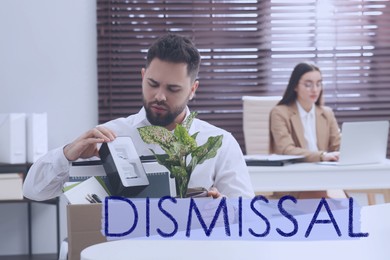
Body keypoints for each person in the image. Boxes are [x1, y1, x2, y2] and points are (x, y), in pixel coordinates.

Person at [23, 34, 254, 201]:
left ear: (193, 89)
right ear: (143, 76)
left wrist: (225, 208)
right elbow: (33, 190)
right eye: (152, 84)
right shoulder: (110, 136)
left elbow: (248, 216)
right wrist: (67, 154)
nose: (159, 96)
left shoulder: (218, 143)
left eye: (173, 89)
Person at [269, 62, 342, 199]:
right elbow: (286, 149)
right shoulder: (279, 113)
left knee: (343, 205)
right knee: (340, 208)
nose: (315, 89)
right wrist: (322, 156)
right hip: (294, 181)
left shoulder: (326, 113)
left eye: (318, 84)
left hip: (323, 180)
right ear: (295, 86)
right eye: (308, 84)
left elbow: (337, 145)